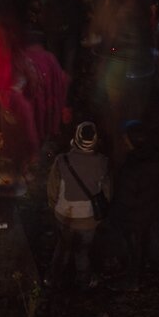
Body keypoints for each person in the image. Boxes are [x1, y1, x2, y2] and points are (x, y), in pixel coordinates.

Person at [46, 121, 108, 288]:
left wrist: (54, 207)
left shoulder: (62, 160)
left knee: (62, 247)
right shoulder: (102, 162)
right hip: (88, 217)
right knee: (83, 251)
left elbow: (52, 189)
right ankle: (83, 282)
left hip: (64, 215)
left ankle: (54, 279)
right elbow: (107, 191)